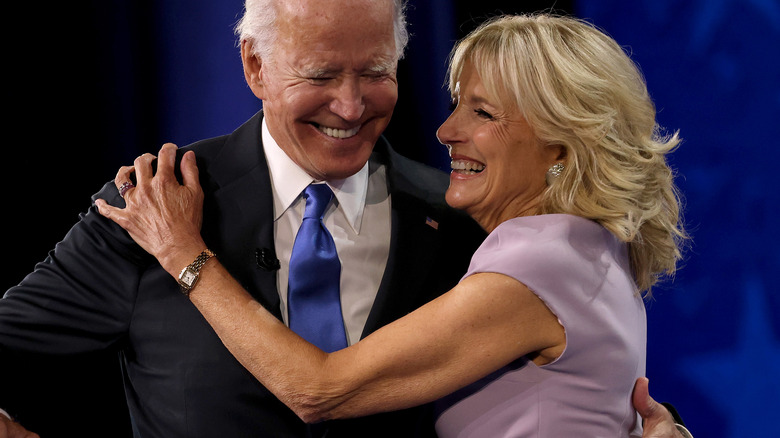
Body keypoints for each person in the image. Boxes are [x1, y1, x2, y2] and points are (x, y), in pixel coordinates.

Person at [0, 1, 687, 437]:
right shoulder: (154, 206)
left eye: (375, 71)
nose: (353, 105)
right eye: (323, 74)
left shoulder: (467, 226)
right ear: (253, 65)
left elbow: (582, 387)